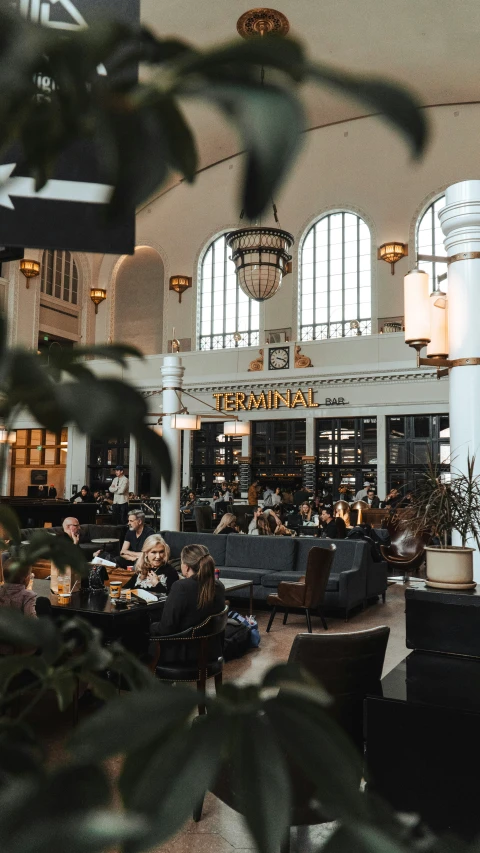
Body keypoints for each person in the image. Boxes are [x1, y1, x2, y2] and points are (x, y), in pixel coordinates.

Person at [149, 544, 225, 663]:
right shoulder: (218, 585)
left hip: (182, 655)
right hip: (211, 653)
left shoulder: (181, 587)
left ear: (186, 566)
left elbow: (166, 628)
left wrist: (150, 626)